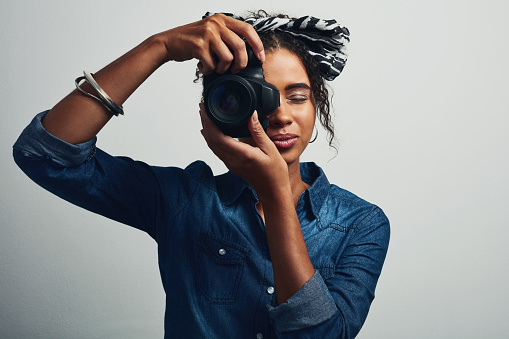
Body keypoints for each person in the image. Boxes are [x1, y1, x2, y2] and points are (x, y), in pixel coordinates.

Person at [13, 11, 390, 339]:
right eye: (260, 98)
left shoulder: (361, 223)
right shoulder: (183, 198)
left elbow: (324, 336)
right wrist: (159, 47)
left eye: (297, 96)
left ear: (316, 104)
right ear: (221, 107)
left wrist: (274, 196)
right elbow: (44, 154)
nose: (280, 115)